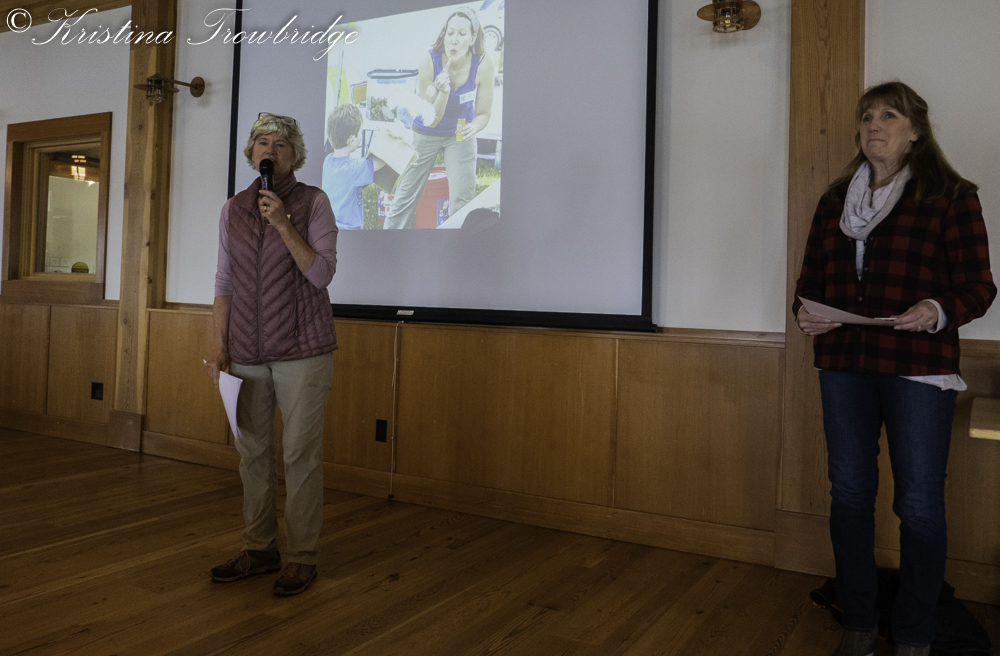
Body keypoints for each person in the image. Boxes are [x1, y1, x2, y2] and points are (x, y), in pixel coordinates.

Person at [794, 82, 996, 656]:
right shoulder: (836, 200)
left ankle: (913, 634)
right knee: (850, 495)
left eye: (888, 115)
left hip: (918, 370)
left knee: (920, 502)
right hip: (843, 366)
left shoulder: (951, 196)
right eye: (866, 117)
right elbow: (809, 282)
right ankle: (859, 621)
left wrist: (935, 309)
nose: (873, 125)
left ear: (915, 131)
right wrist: (805, 314)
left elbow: (979, 287)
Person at [204, 113, 339, 597]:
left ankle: (302, 557)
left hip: (303, 351)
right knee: (253, 454)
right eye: (263, 142)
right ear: (251, 153)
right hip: (245, 351)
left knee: (300, 455)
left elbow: (321, 274)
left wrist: (282, 223)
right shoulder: (233, 209)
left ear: (294, 155)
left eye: (281, 144)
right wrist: (219, 344)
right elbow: (224, 282)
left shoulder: (313, 202)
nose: (270, 149)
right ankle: (260, 549)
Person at [383, 6, 495, 229]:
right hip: (426, 131)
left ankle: (460, 245)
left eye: (461, 34)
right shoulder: (428, 62)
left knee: (463, 201)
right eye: (450, 32)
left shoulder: (483, 64)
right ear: (444, 35)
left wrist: (474, 127)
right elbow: (431, 119)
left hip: (460, 132)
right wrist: (443, 93)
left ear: (472, 38)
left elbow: (483, 113)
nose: (454, 39)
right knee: (405, 197)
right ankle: (391, 240)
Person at [322, 103, 386, 230]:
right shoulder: (353, 169)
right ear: (351, 140)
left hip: (330, 227)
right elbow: (382, 161)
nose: (361, 135)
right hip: (350, 230)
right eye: (359, 132)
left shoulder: (327, 161)